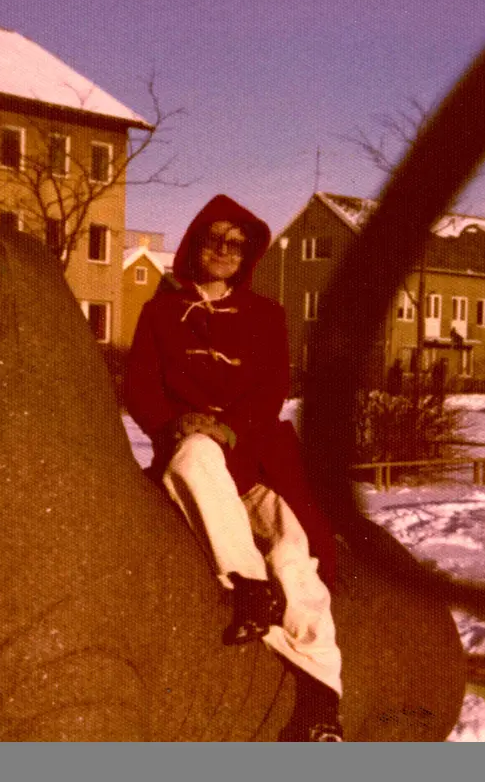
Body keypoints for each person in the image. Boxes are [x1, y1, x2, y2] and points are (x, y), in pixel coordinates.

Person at [123, 195, 343, 742]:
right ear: (195, 244)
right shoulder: (159, 312)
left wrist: (228, 429)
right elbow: (141, 388)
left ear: (247, 257)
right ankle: (248, 585)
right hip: (191, 460)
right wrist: (181, 425)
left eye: (235, 243)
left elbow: (271, 389)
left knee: (295, 550)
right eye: (213, 239)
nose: (223, 250)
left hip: (256, 457)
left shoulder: (268, 315)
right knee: (198, 453)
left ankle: (322, 699)